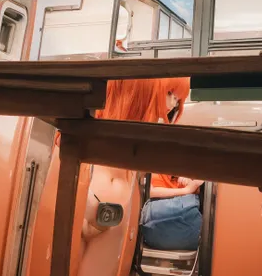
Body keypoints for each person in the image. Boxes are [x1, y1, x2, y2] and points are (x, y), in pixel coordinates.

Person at [78, 77, 191, 276]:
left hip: (103, 203)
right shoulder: (136, 130)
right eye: (170, 95)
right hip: (108, 205)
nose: (173, 103)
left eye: (177, 99)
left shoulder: (114, 128)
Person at [140, 82, 203, 252]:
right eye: (173, 97)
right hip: (163, 206)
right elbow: (149, 191)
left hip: (179, 205)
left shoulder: (174, 146)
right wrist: (186, 190)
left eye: (178, 100)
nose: (174, 104)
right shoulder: (150, 146)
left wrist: (191, 181)